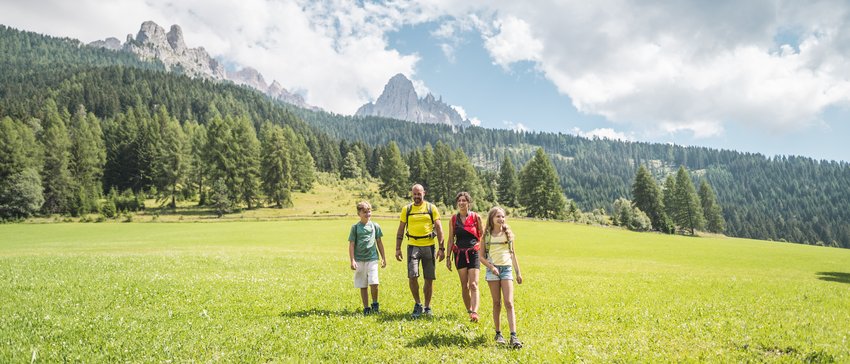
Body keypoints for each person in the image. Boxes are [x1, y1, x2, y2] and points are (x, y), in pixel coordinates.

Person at [395, 184, 445, 318]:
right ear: (412, 194)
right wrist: (398, 248)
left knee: (429, 278)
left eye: (419, 194)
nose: (417, 197)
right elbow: (401, 229)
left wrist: (441, 248)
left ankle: (427, 306)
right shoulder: (407, 209)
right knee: (412, 276)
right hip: (413, 247)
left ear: (424, 193)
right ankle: (418, 304)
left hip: (429, 246)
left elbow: (439, 229)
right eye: (414, 194)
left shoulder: (431, 208)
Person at [480, 206, 523, 348]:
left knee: (509, 302)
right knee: (496, 303)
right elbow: (481, 257)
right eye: (498, 216)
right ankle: (498, 333)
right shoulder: (486, 236)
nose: (501, 219)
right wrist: (491, 267)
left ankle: (513, 336)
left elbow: (513, 254)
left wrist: (518, 273)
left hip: (507, 269)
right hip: (492, 271)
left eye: (503, 216)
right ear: (492, 218)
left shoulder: (508, 234)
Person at [445, 191, 483, 322]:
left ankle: (475, 312)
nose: (461, 203)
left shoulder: (476, 217)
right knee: (464, 285)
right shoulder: (453, 219)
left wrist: (483, 254)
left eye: (464, 200)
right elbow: (450, 239)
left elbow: (481, 236)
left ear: (468, 203)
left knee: (473, 284)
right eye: (459, 201)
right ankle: (469, 311)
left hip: (473, 253)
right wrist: (447, 257)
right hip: (459, 254)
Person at [348, 201, 387, 315]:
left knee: (374, 282)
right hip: (359, 259)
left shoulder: (375, 226)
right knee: (363, 284)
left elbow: (379, 242)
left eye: (369, 211)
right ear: (359, 213)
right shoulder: (355, 228)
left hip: (372, 258)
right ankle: (366, 308)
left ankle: (375, 304)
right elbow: (351, 244)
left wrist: (383, 257)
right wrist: (352, 260)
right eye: (364, 212)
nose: (367, 214)